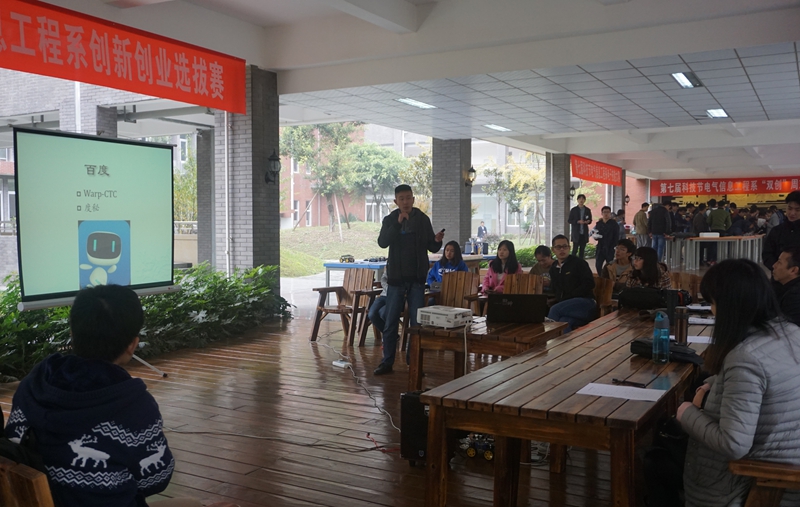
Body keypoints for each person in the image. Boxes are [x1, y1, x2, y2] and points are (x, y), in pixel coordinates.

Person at [3, 285, 236, 507]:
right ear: (132, 345)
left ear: (72, 334)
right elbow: (156, 480)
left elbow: (14, 442)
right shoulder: (135, 407)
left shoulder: (35, 383)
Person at [675, 259, 800, 507]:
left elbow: (733, 444)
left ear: (730, 307)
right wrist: (716, 382)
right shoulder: (790, 332)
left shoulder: (745, 358)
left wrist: (686, 412)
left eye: (713, 303)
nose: (712, 311)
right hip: (786, 461)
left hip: (752, 485)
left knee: (658, 457)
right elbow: (765, 379)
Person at [375, 184, 444, 375]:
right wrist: (397, 224)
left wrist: (437, 241)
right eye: (401, 199)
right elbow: (382, 242)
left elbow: (431, 247)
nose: (405, 202)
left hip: (416, 280)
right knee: (390, 322)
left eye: (408, 198)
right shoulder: (390, 219)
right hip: (396, 280)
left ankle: (413, 362)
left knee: (416, 323)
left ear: (413, 199)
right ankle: (387, 362)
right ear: (396, 201)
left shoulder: (422, 219)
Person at [547, 234, 596, 332]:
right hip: (567, 307)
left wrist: (570, 296)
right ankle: (562, 342)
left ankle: (547, 339)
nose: (562, 249)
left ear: (569, 248)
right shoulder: (553, 268)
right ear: (553, 250)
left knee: (554, 310)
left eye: (565, 246)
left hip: (585, 303)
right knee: (564, 322)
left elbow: (589, 283)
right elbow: (556, 288)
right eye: (558, 247)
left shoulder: (579, 263)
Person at [763, 191, 800, 272]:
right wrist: (779, 268)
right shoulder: (777, 231)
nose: (792, 213)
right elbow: (767, 254)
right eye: (789, 208)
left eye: (797, 210)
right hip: (779, 276)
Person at [771, 246, 800, 326]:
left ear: (793, 270)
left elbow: (789, 329)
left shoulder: (794, 298)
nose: (774, 265)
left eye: (779, 262)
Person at [593, 205, 620, 275]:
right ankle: (600, 276)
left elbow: (616, 236)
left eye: (608, 212)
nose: (606, 214)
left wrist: (614, 246)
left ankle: (608, 278)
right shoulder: (599, 224)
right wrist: (595, 237)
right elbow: (596, 233)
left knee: (609, 265)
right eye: (604, 212)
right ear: (602, 213)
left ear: (610, 213)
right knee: (598, 265)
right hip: (600, 247)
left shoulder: (614, 224)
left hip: (610, 247)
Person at [706, 199, 731, 266]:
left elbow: (708, 221)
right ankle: (719, 259)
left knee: (712, 245)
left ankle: (710, 259)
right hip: (722, 230)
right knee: (720, 245)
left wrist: (712, 226)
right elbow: (729, 223)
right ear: (723, 206)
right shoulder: (726, 213)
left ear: (717, 205)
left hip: (713, 230)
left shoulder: (712, 212)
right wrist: (725, 228)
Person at [568, 194, 592, 258]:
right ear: (577, 200)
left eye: (583, 199)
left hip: (584, 233)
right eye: (580, 199)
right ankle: (572, 262)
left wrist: (587, 221)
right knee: (575, 249)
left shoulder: (587, 210)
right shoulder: (574, 210)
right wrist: (577, 221)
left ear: (584, 200)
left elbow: (590, 220)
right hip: (576, 233)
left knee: (582, 250)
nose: (581, 200)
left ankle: (581, 262)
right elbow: (569, 220)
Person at [368, 269, 389, 333]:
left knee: (383, 313)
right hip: (383, 295)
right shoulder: (391, 266)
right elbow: (383, 279)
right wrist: (388, 288)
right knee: (372, 314)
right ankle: (390, 335)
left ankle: (389, 335)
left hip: (397, 297)